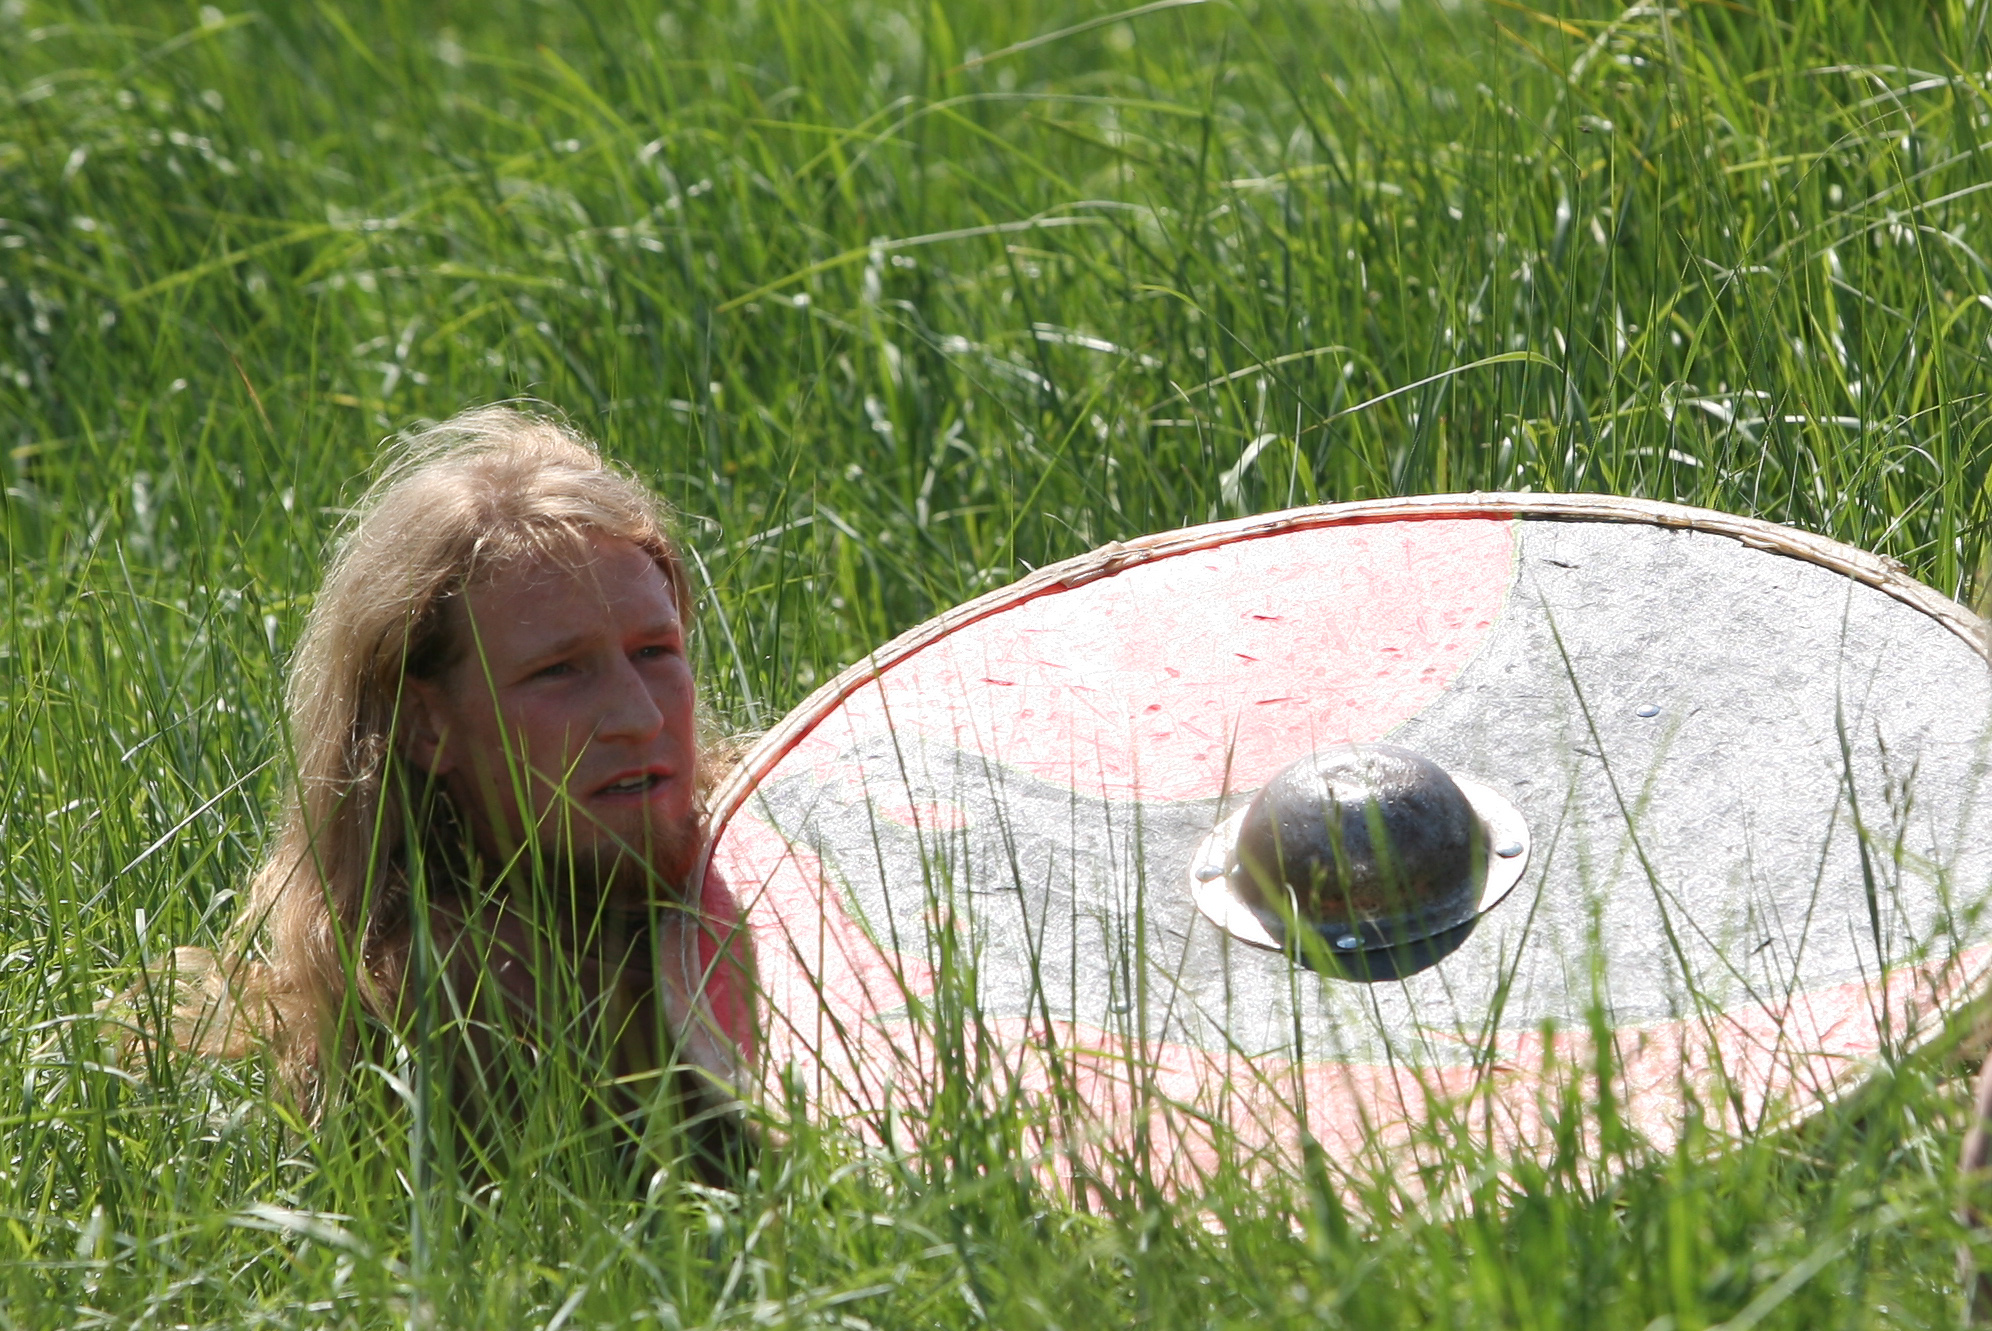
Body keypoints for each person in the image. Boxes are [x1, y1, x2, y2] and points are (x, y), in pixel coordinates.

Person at [144, 404, 754, 1173]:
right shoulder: (445, 1006)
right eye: (561, 670)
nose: (640, 716)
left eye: (654, 651)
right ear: (426, 723)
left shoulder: (790, 851)